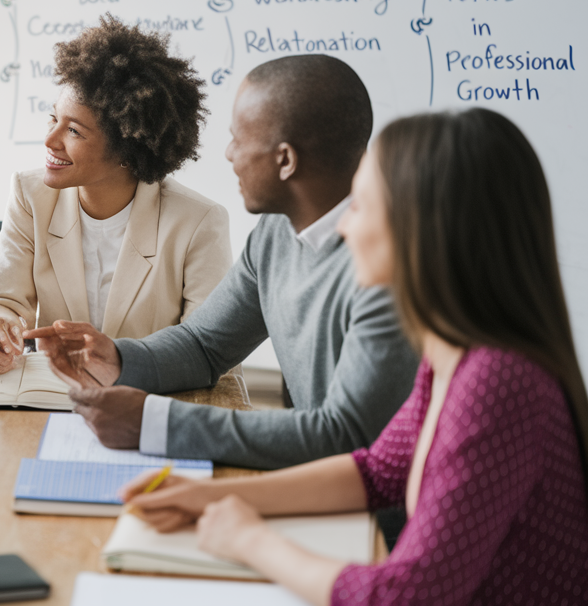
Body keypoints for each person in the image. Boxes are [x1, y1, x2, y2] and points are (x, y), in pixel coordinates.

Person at [122, 109, 588, 605]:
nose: (343, 227)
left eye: (361, 205)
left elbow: (405, 597)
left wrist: (249, 539)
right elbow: (378, 471)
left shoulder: (498, 382)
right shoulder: (453, 356)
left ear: (425, 231)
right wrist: (211, 497)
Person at [37, 55, 421, 470]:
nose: (228, 154)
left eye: (239, 139)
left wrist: (156, 423)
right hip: (319, 489)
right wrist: (118, 358)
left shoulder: (390, 268)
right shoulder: (276, 232)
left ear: (285, 160)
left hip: (381, 521)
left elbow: (346, 435)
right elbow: (205, 345)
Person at [0, 15, 231, 373]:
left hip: (145, 402)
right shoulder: (30, 195)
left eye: (74, 131)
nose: (50, 140)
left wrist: (122, 360)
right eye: (54, 119)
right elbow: (2, 299)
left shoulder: (198, 222)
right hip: (52, 399)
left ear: (127, 149)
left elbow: (210, 348)